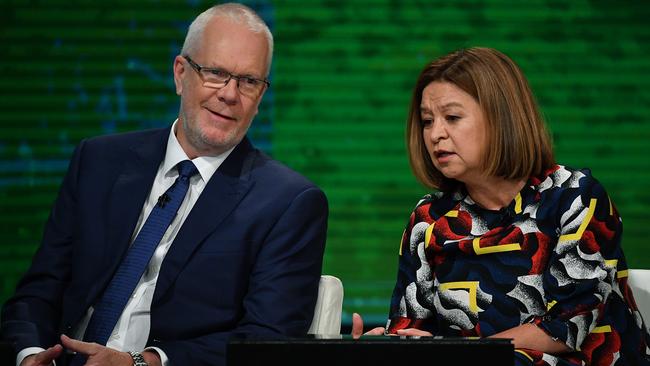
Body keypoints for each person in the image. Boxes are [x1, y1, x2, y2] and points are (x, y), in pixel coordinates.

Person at [1, 3, 328, 366]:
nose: (229, 94)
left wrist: (144, 363)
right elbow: (39, 291)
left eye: (248, 81)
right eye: (216, 73)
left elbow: (266, 339)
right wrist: (30, 355)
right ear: (180, 74)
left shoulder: (288, 202)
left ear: (260, 97)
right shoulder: (98, 161)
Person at [351, 47, 650, 365]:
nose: (436, 134)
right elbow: (412, 330)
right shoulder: (429, 220)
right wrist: (383, 348)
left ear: (501, 118)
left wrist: (458, 356)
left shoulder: (574, 198)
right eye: (427, 121)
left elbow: (567, 327)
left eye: (452, 117)